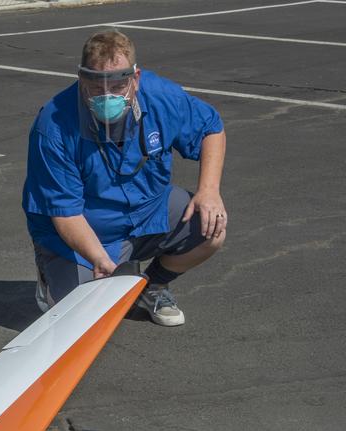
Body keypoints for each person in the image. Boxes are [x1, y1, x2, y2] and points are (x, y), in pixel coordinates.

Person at [23, 30, 227, 326]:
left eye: (118, 86)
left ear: (136, 78)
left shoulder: (161, 97)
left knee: (212, 229)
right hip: (85, 230)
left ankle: (152, 285)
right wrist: (100, 260)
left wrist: (209, 190)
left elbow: (211, 128)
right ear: (81, 78)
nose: (107, 96)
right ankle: (50, 276)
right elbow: (65, 214)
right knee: (81, 321)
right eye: (95, 87)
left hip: (148, 211)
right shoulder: (53, 126)